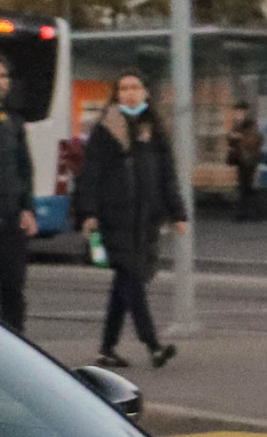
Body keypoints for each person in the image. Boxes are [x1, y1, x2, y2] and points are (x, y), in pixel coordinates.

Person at [74, 72, 185, 369]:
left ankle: (106, 349)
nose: (129, 93)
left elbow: (167, 175)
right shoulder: (105, 130)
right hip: (114, 217)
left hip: (146, 219)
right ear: (116, 94)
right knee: (132, 278)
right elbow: (90, 175)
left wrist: (178, 213)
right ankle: (153, 345)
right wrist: (88, 213)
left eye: (135, 87)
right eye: (123, 88)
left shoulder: (154, 129)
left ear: (145, 92)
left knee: (124, 283)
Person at [0, 55, 30, 336]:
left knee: (13, 294)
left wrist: (28, 208)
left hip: (9, 226)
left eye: (2, 77)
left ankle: (17, 355)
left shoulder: (13, 121)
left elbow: (25, 169)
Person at [225, 101, 265, 221]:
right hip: (241, 159)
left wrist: (239, 137)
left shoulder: (250, 123)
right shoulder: (238, 123)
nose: (237, 113)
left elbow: (254, 139)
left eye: (239, 111)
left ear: (244, 111)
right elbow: (231, 140)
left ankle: (248, 214)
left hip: (249, 159)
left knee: (246, 187)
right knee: (245, 187)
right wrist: (232, 137)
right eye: (236, 111)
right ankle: (251, 213)